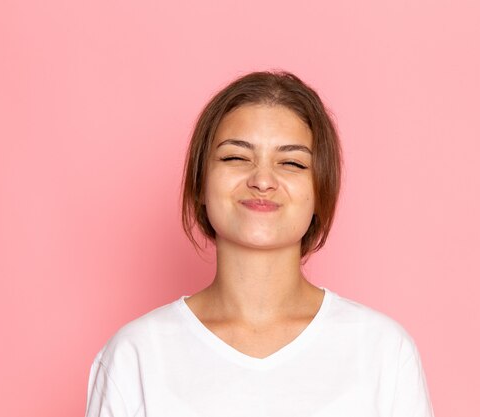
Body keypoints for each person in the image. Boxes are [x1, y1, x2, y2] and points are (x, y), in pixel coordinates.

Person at [85, 71, 434, 417]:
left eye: (292, 163)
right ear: (200, 184)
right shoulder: (136, 356)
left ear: (320, 191)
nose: (263, 180)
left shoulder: (382, 352)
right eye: (236, 157)